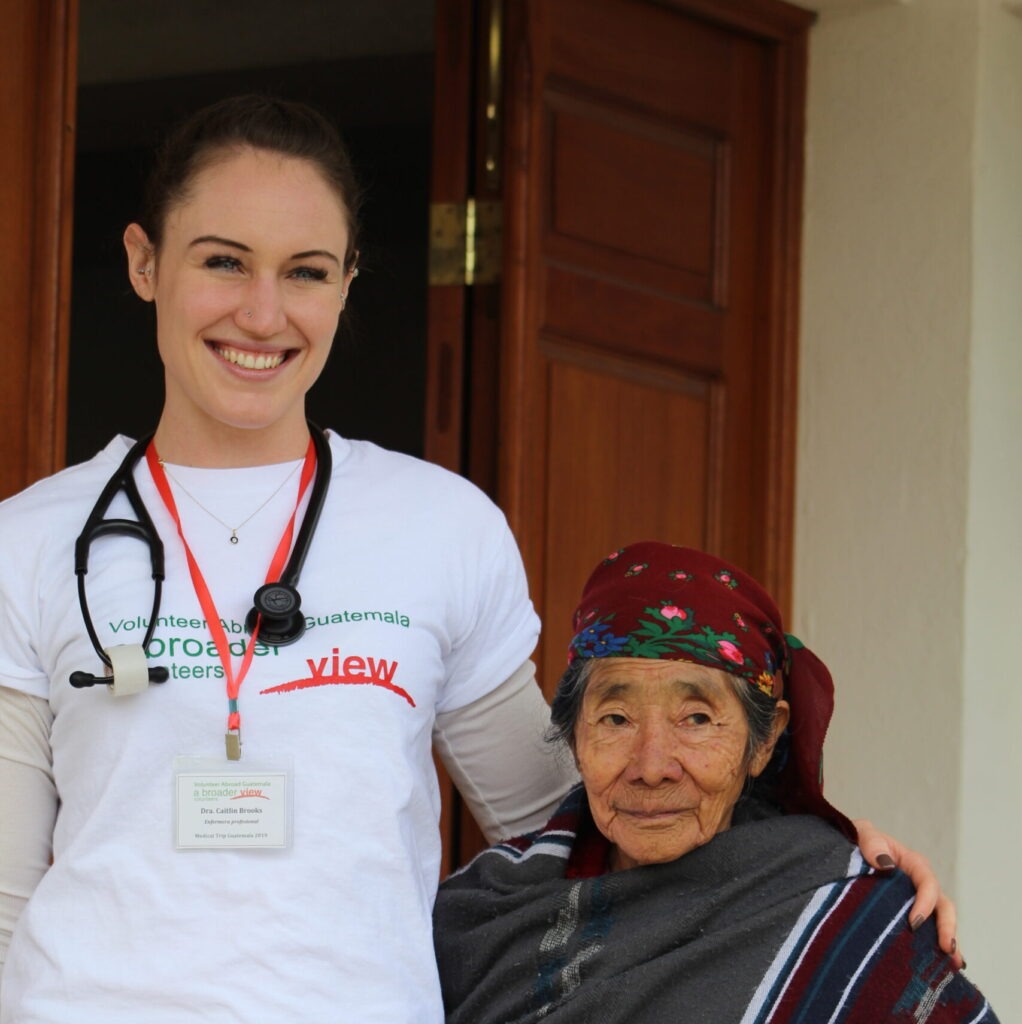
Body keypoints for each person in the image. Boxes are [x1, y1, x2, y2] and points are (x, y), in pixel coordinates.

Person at [0, 97, 953, 1023]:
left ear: (348, 280)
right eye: (223, 261)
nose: (262, 312)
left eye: (306, 271)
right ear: (143, 262)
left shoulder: (440, 528)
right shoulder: (33, 539)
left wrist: (817, 863)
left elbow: (560, 820)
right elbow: (5, 894)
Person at [434, 541, 996, 1024]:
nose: (652, 766)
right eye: (616, 719)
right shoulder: (485, 914)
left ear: (765, 739)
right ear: (575, 734)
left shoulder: (845, 917)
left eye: (697, 719)